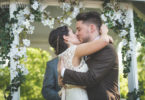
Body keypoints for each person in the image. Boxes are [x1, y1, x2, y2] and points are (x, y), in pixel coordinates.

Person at [58, 11, 120, 100]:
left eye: (79, 29)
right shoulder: (84, 50)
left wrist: (64, 72)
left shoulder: (107, 50)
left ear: (91, 28)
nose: (76, 33)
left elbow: (91, 78)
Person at [49, 23, 111, 100]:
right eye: (72, 32)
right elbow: (104, 41)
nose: (76, 34)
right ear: (66, 38)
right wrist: (104, 32)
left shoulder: (61, 57)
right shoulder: (74, 50)